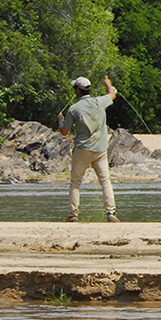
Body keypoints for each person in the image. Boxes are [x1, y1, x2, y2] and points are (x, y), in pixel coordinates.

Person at [58, 76, 120, 222]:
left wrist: (60, 120)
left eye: (75, 88)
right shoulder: (100, 102)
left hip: (82, 149)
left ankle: (73, 214)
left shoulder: (73, 109)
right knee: (105, 181)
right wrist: (108, 83)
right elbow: (113, 94)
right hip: (100, 149)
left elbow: (64, 132)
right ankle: (111, 213)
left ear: (78, 91)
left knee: (75, 182)